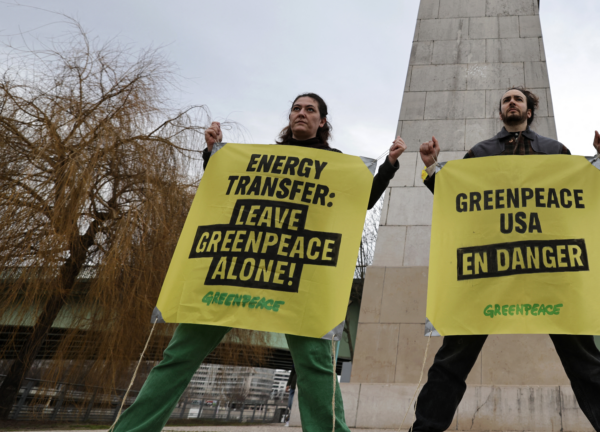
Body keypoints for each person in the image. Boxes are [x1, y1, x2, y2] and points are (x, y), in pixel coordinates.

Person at [114, 93, 406, 432]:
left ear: (322, 122)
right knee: (179, 355)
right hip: (237, 268)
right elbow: (223, 187)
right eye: (296, 108)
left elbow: (362, 201)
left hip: (297, 276)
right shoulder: (263, 157)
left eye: (310, 110)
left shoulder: (336, 164)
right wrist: (213, 154)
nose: (301, 113)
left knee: (315, 366)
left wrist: (388, 167)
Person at [412, 87, 600, 432]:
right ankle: (424, 428)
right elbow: (457, 200)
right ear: (501, 111)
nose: (511, 102)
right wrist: (433, 169)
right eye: (506, 99)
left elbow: (579, 196)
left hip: (551, 274)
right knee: (451, 361)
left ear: (530, 110)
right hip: (488, 274)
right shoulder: (479, 153)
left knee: (585, 363)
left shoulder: (556, 151)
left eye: (518, 99)